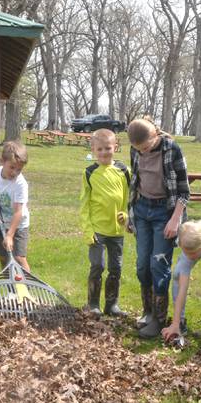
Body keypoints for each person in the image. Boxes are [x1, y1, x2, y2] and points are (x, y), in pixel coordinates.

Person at [127, 118, 190, 339]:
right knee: (142, 265)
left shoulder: (171, 149)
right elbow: (135, 182)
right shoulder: (135, 151)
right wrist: (131, 213)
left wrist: (175, 219)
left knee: (158, 265)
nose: (142, 152)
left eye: (145, 147)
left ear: (155, 136)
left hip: (165, 212)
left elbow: (184, 191)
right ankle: (147, 312)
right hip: (142, 210)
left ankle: (158, 319)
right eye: (138, 149)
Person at [80, 129, 130, 316]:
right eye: (99, 149)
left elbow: (128, 198)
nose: (104, 153)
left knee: (115, 268)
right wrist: (87, 230)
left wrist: (126, 216)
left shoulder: (124, 171)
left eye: (107, 148)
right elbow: (84, 204)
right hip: (97, 231)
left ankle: (112, 305)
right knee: (98, 266)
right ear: (93, 149)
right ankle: (93, 304)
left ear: (115, 147)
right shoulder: (89, 173)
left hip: (116, 232)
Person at [0, 140, 31, 271]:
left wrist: (10, 235)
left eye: (19, 169)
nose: (15, 172)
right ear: (2, 161)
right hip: (0, 222)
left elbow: (18, 212)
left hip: (18, 225)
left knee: (19, 258)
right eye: (12, 167)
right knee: (3, 257)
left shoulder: (20, 184)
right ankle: (9, 284)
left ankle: (27, 288)